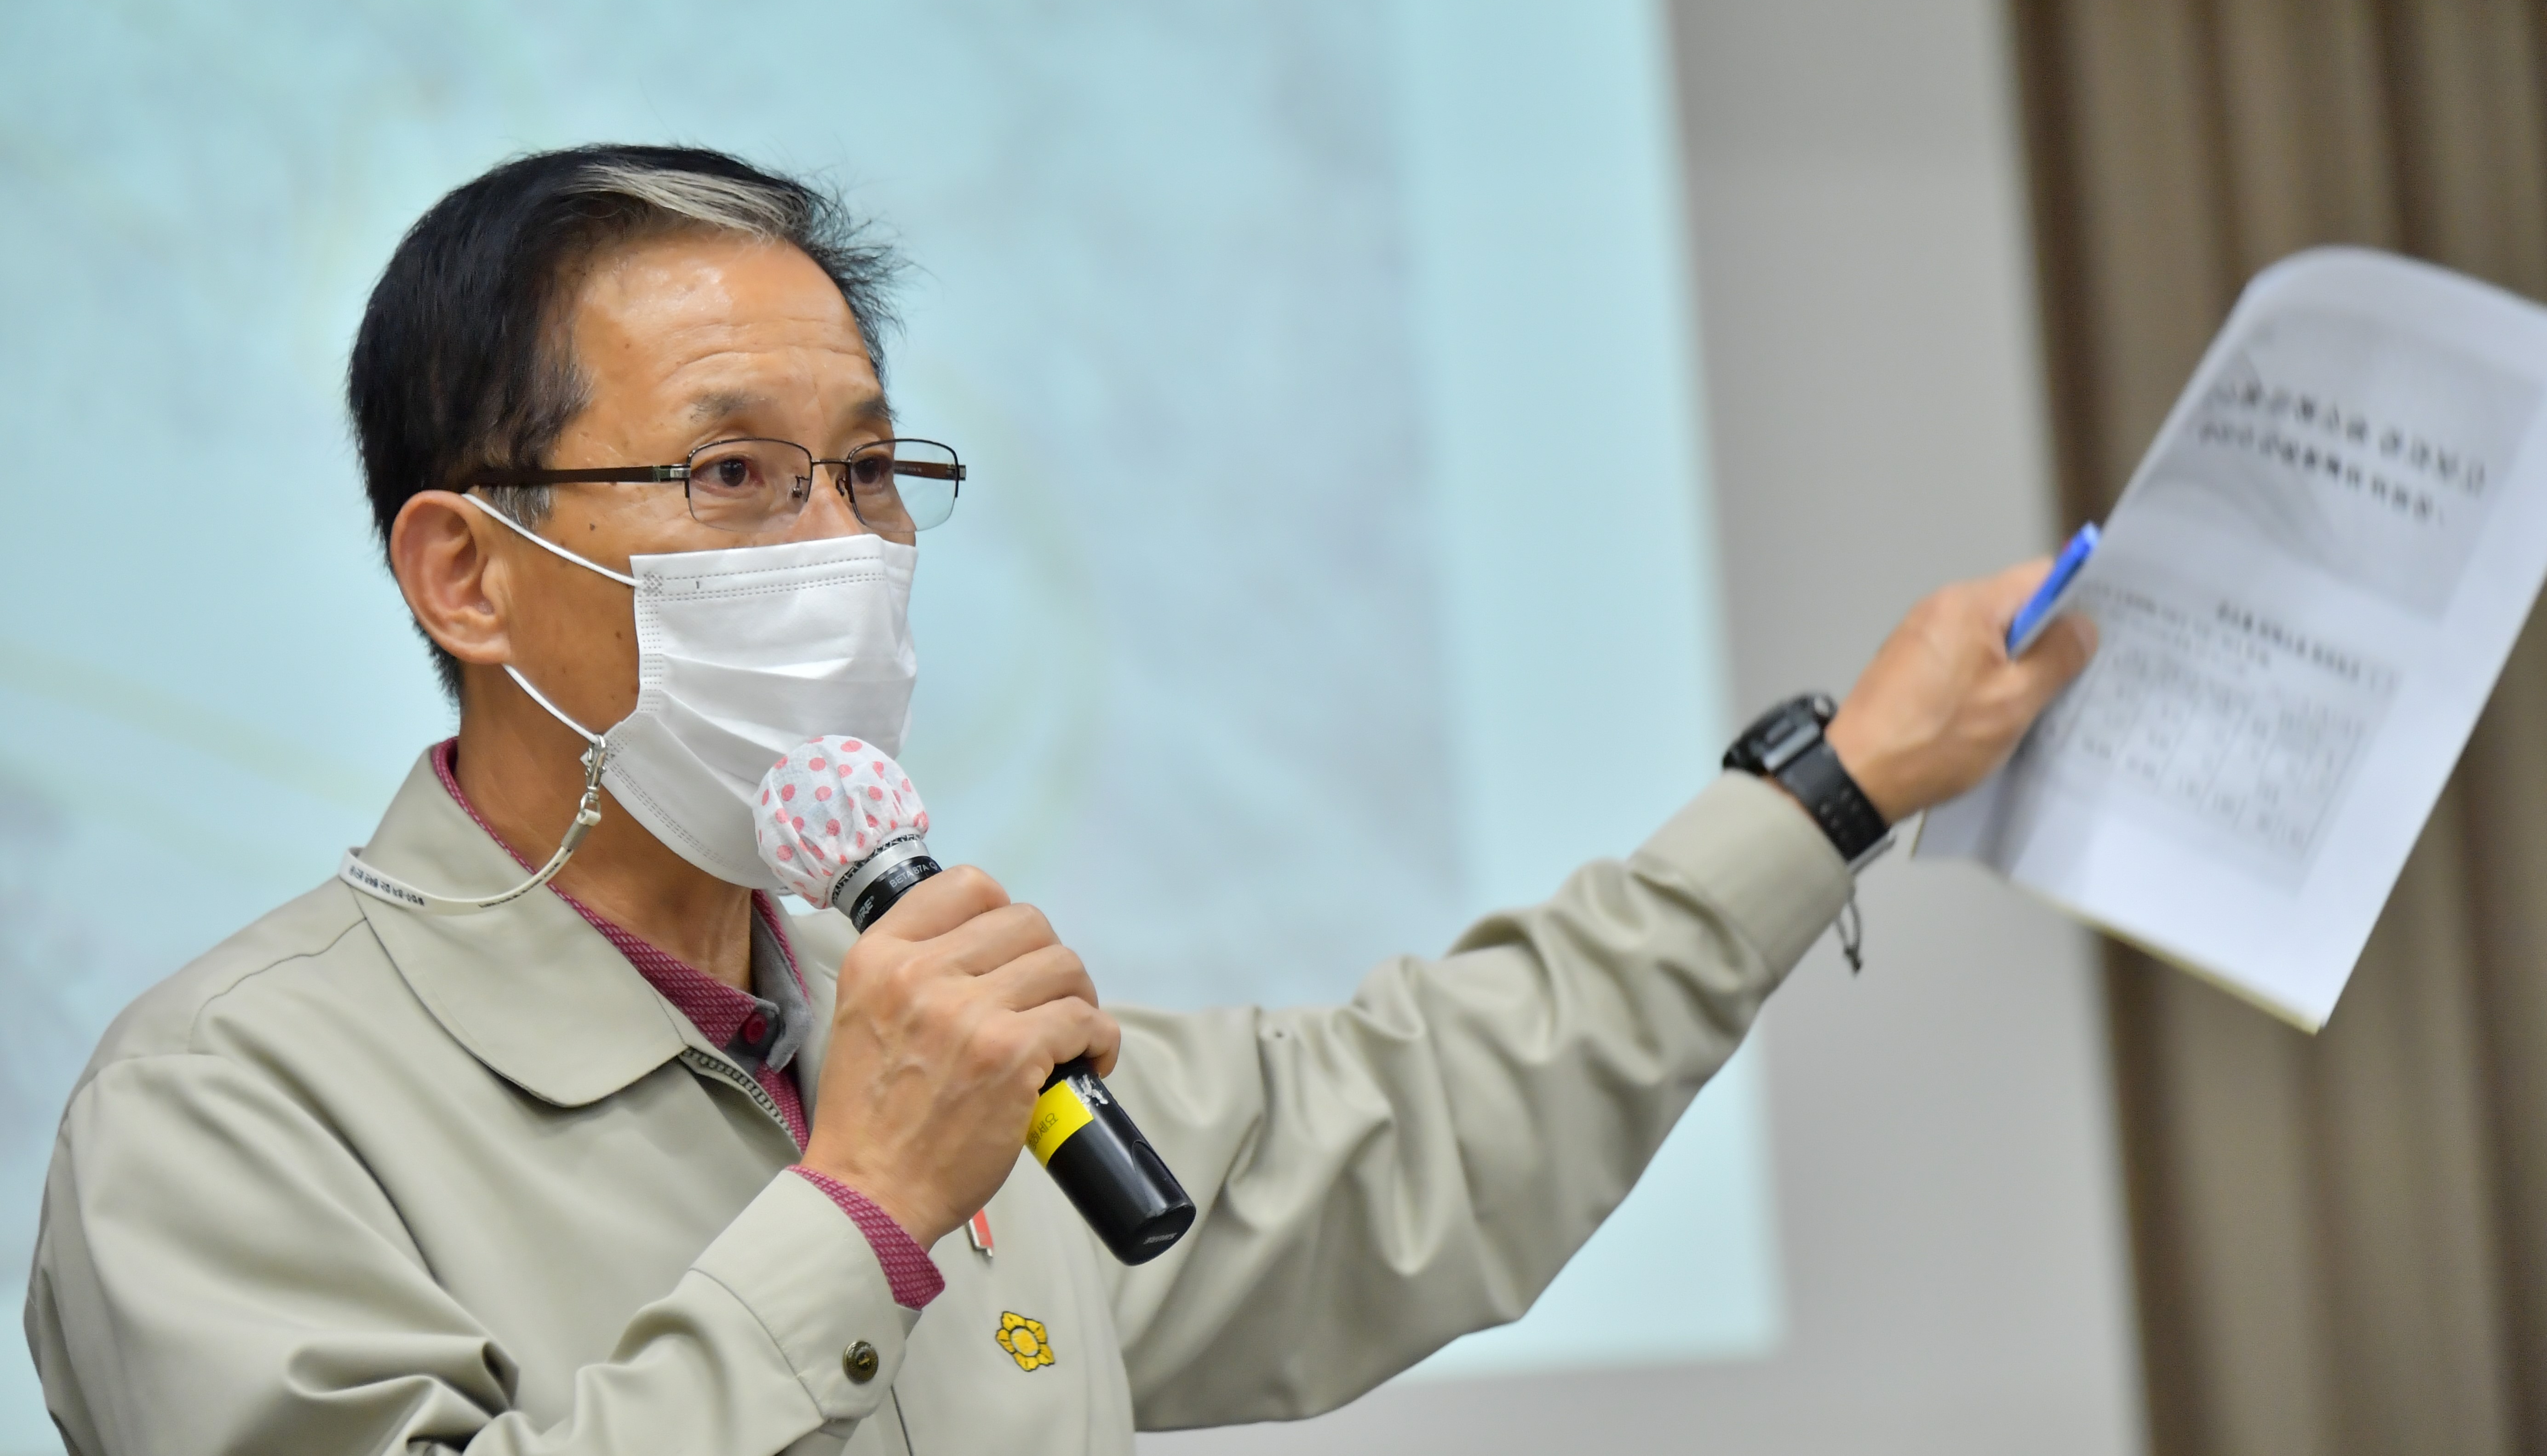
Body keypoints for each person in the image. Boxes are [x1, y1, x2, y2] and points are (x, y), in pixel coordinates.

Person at [23, 145, 2094, 1456]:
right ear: (464, 571)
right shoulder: (228, 1105)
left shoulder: (915, 1030)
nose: (834, 544)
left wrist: (1845, 781)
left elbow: (1433, 1113)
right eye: (731, 473)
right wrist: (851, 1220)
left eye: (866, 470)